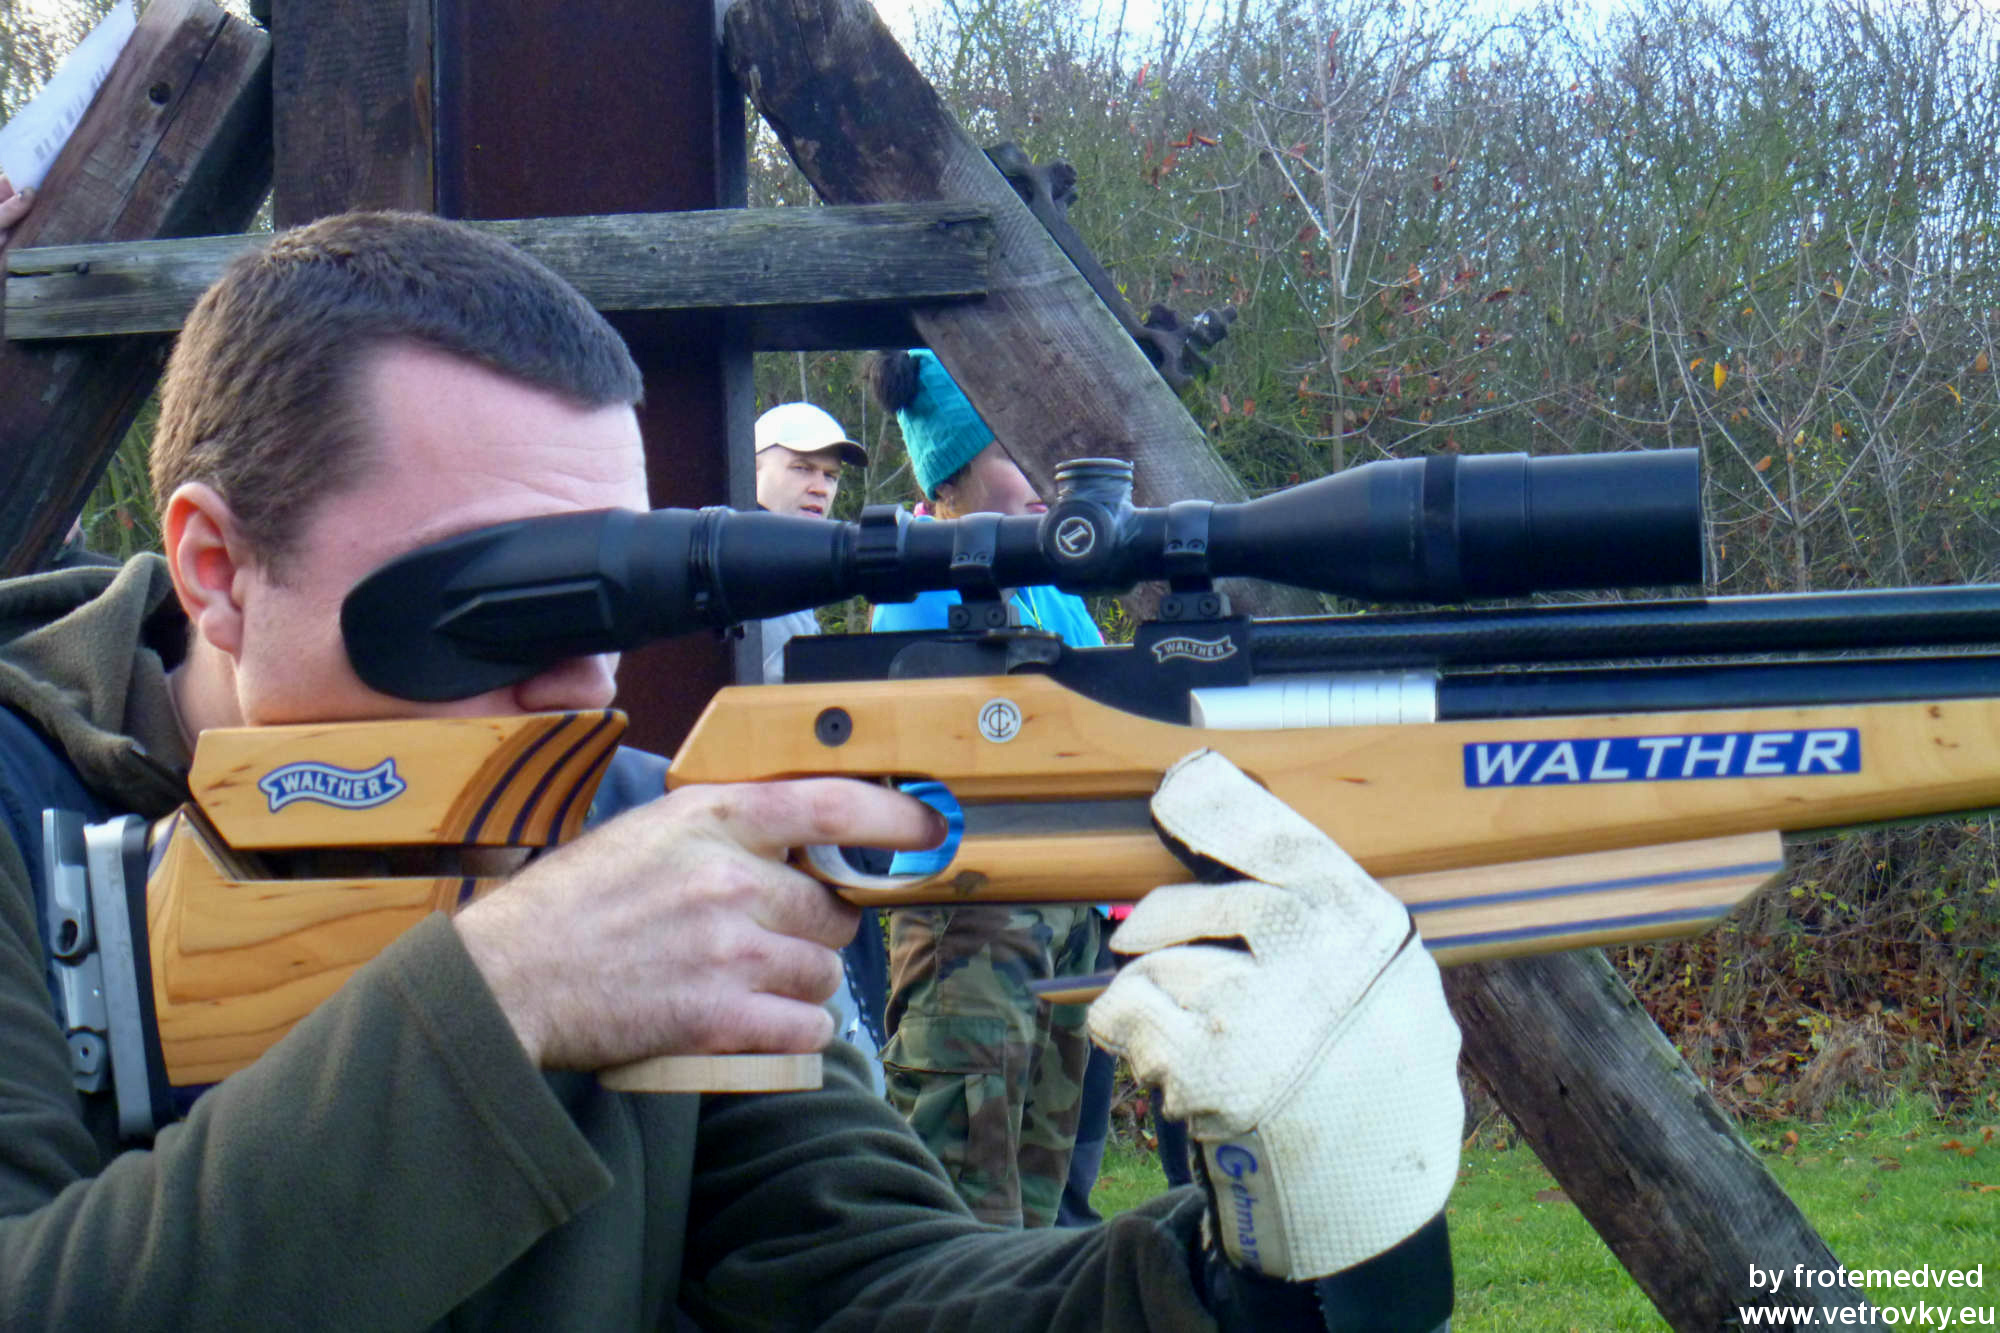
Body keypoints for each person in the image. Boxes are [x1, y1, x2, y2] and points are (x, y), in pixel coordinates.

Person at [0, 210, 1460, 1330]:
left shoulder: (624, 830)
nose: (585, 687)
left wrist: (1270, 1261)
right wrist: (505, 1001)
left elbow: (864, 1284)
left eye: (612, 600)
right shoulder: (21, 811)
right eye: (497, 604)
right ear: (217, 567)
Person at [863, 348, 1113, 1231]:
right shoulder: (921, 578)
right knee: (962, 1192)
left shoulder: (1045, 579)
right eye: (1011, 452)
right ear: (950, 479)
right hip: (971, 912)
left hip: (1065, 904)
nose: (1042, 473)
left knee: (1041, 1194)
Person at [748, 400, 888, 1092]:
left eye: (830, 476)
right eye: (801, 467)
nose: (820, 487)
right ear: (748, 468)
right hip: (774, 871)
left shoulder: (789, 584)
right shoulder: (744, 582)